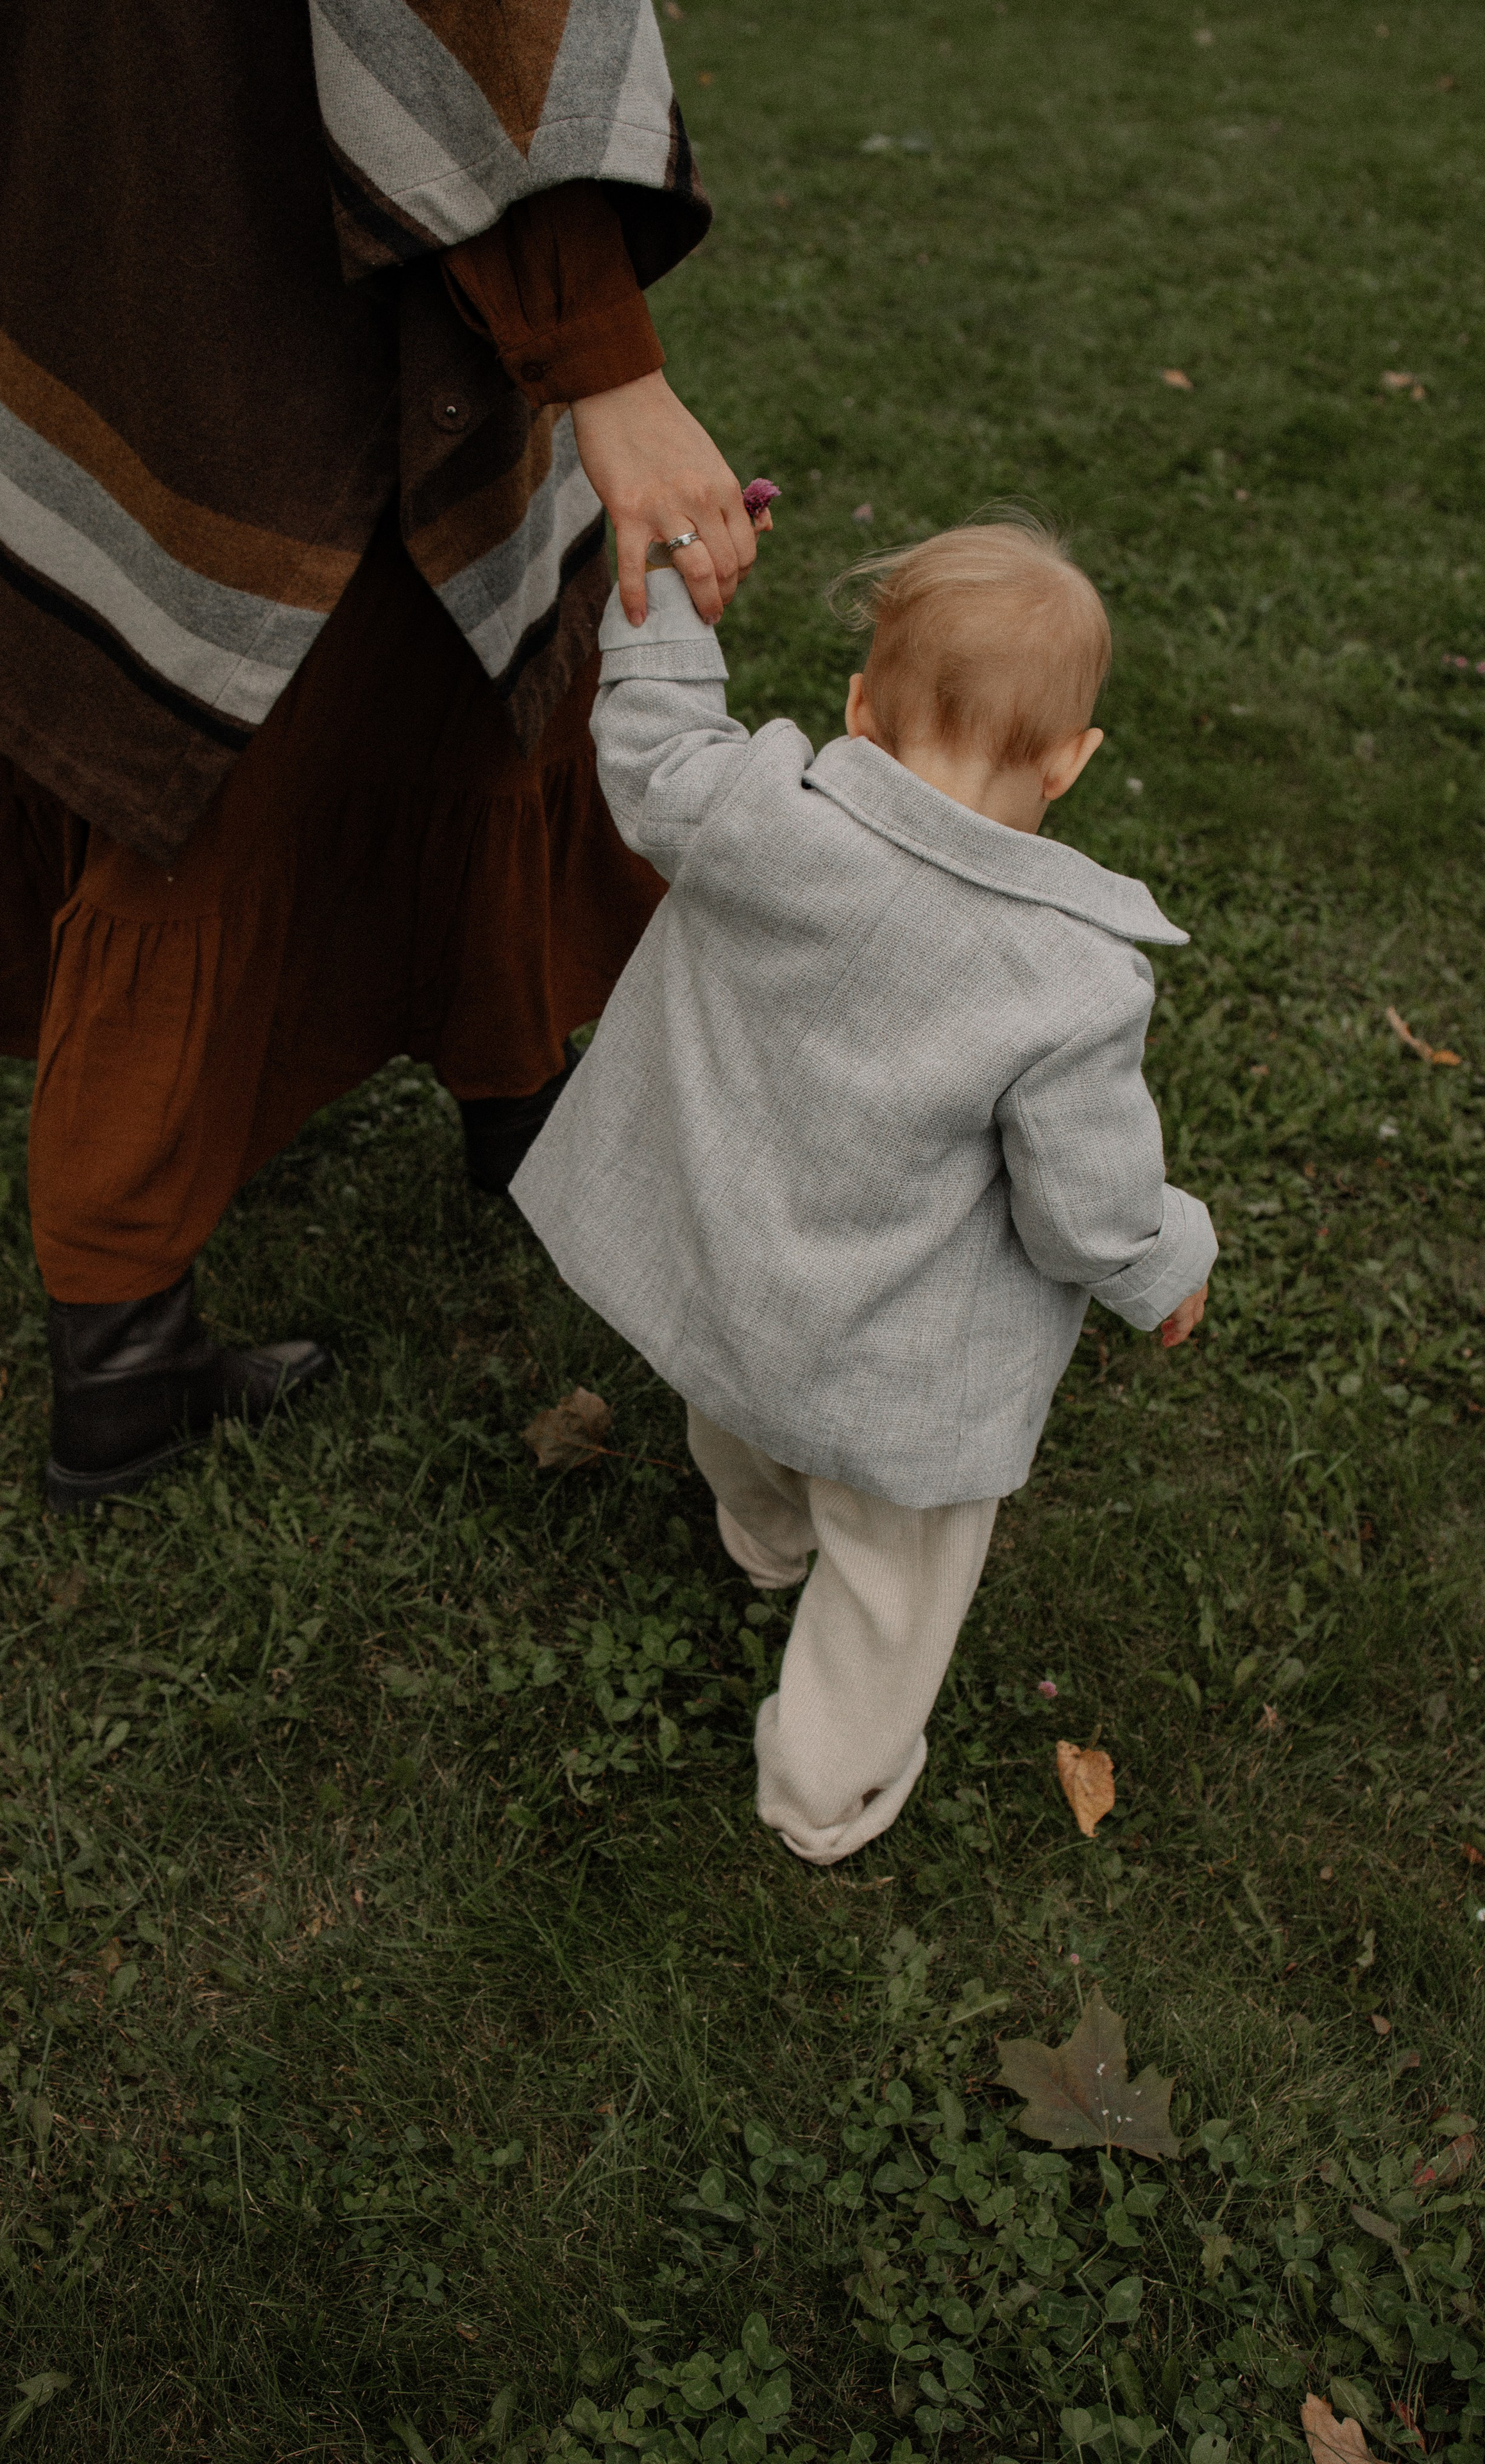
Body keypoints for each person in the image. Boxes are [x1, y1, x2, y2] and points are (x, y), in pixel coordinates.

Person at [0, 1, 760, 1507]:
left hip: (88, 178)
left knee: (457, 678)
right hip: (260, 229)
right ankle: (123, 1361)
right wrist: (604, 359)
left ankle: (516, 1100)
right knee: (219, 760)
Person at [513, 518, 1218, 1865]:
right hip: (895, 1353)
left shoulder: (753, 817)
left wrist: (660, 589)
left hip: (726, 1271)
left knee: (735, 1404)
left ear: (854, 707)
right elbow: (1084, 1207)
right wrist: (1163, 1263)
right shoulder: (1070, 981)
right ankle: (816, 1788)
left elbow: (652, 739)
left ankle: (762, 1540)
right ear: (1072, 764)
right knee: (895, 1577)